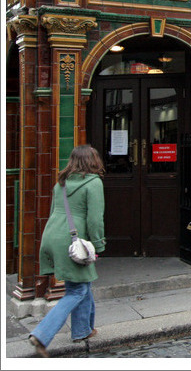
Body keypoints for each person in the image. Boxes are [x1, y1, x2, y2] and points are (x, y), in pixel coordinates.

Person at [29, 145, 106, 357]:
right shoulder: (94, 184)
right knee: (77, 290)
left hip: (53, 234)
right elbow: (94, 219)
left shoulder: (61, 183)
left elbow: (54, 211)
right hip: (73, 239)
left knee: (83, 282)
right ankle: (42, 334)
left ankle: (83, 330)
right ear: (93, 161)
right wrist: (98, 244)